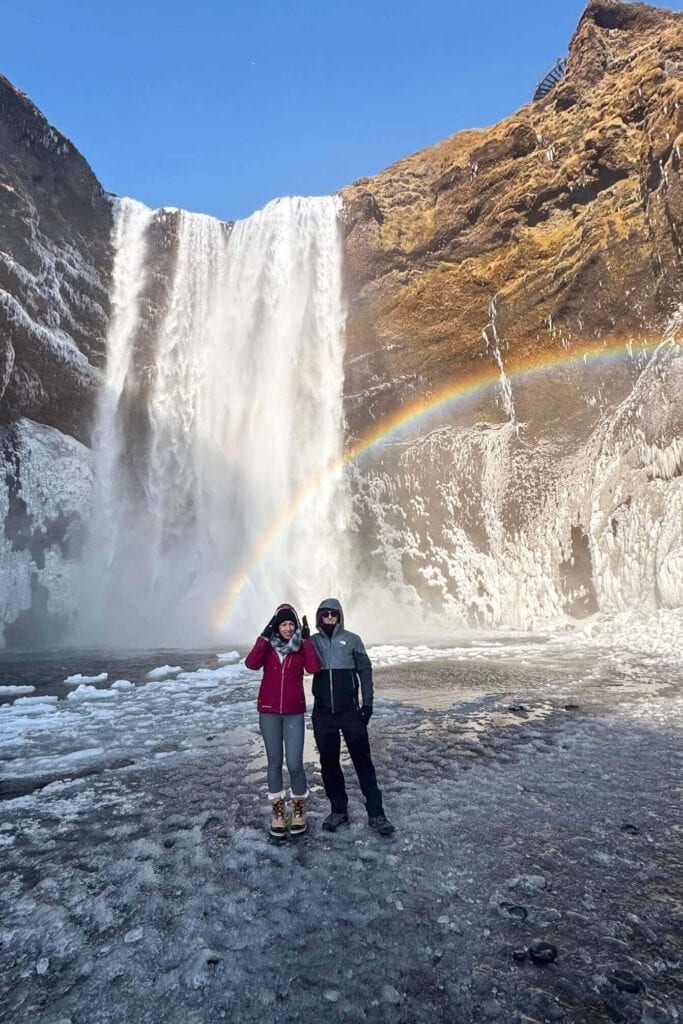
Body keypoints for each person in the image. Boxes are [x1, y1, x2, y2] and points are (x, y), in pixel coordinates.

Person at [310, 598, 394, 836]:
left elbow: (365, 672)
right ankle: (338, 811)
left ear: (339, 616)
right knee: (329, 764)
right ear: (319, 617)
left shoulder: (353, 640)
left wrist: (368, 704)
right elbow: (294, 657)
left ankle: (377, 814)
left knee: (363, 762)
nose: (328, 619)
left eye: (332, 615)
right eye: (324, 615)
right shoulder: (313, 642)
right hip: (323, 714)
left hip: (350, 713)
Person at [245, 603, 320, 838]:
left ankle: (299, 810)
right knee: (274, 763)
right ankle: (278, 812)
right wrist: (263, 635)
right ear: (276, 627)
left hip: (293, 712)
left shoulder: (300, 647)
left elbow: (314, 667)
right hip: (268, 712)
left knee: (295, 763)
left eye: (291, 624)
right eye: (283, 624)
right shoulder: (267, 648)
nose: (288, 628)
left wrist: (306, 640)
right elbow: (251, 664)